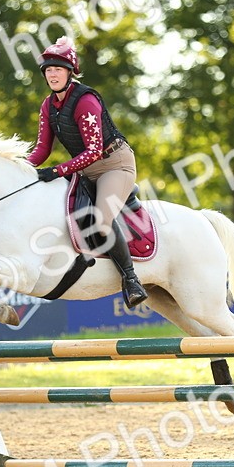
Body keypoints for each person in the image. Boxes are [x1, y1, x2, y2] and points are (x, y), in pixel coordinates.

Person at [26, 37, 147, 309]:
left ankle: (131, 280)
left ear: (70, 73)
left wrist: (57, 171)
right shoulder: (47, 106)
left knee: (102, 219)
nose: (52, 74)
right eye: (48, 70)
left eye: (58, 69)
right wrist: (20, 167)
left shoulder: (86, 100)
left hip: (114, 164)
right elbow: (42, 149)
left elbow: (93, 150)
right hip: (84, 169)